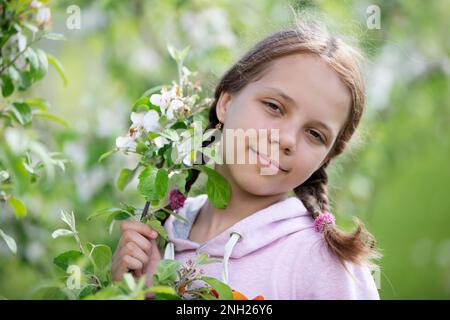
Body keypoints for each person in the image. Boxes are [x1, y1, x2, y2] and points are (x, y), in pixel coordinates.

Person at [112, 19, 382, 299]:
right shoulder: (159, 235)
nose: (287, 139)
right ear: (226, 103)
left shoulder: (323, 263)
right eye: (274, 107)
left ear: (327, 156)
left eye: (315, 134)